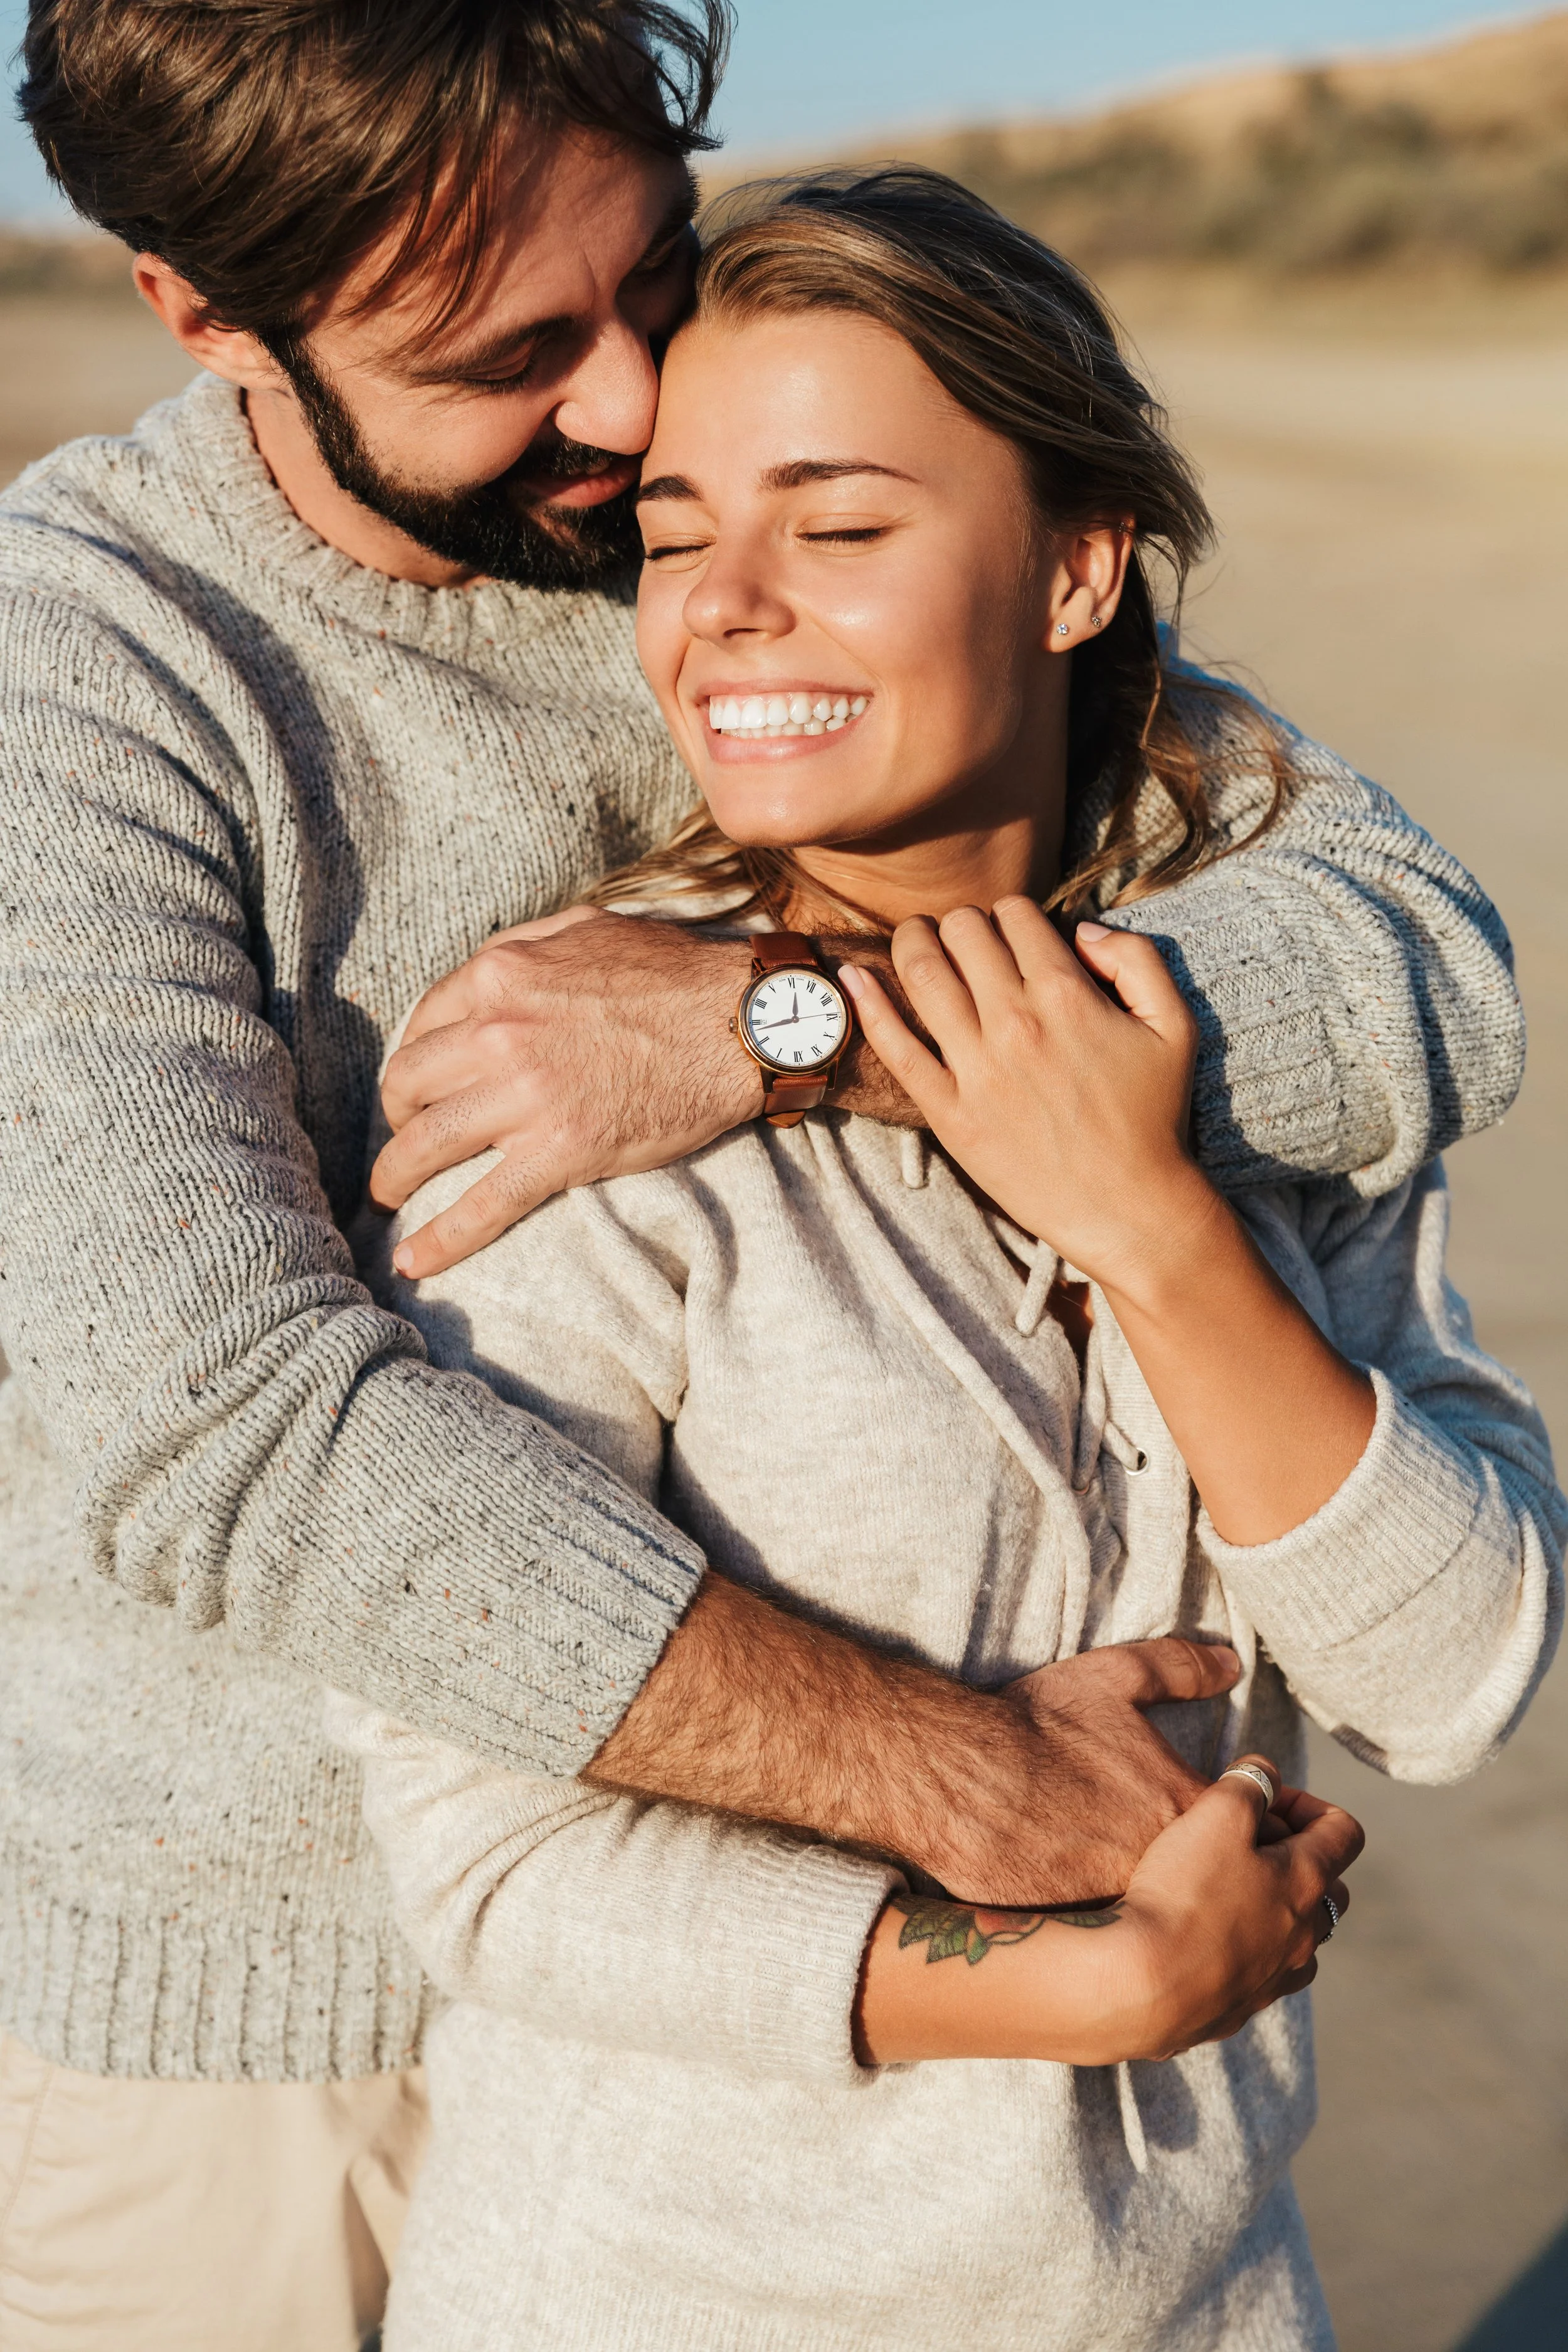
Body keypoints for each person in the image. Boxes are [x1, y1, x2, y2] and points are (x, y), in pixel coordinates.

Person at [0, 2, 1532, 2341]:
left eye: (652, 270)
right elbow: (232, 1441)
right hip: (265, 2039)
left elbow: (1404, 954)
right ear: (213, 320)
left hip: (925, 2103)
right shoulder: (78, 670)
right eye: (510, 347)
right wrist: (978, 1796)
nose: (629, 419)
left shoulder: (747, 515)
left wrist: (776, 1028)